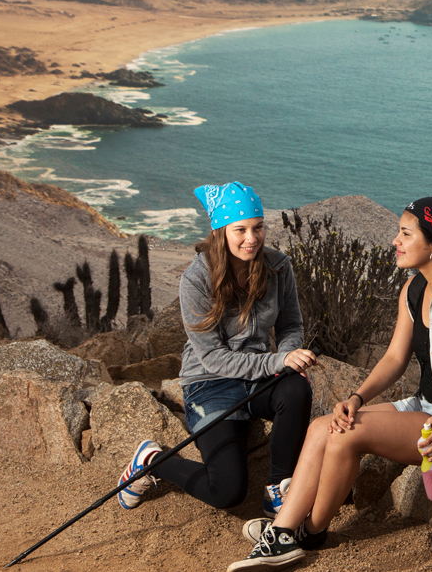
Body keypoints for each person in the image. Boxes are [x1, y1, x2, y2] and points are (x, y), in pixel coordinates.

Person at [227, 194, 432, 572]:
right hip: (425, 408)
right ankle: (287, 529)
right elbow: (393, 359)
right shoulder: (413, 289)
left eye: (405, 234)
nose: (395, 242)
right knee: (324, 427)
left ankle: (307, 531)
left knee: (347, 436)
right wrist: (356, 396)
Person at [117, 181, 316, 519]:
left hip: (257, 376)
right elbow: (211, 356)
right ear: (220, 231)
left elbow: (290, 326)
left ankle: (277, 488)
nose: (251, 238)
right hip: (210, 384)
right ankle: (153, 461)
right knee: (227, 491)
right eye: (240, 229)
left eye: (257, 227)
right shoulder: (195, 280)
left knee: (296, 387)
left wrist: (288, 356)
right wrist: (278, 359)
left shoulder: (278, 267)